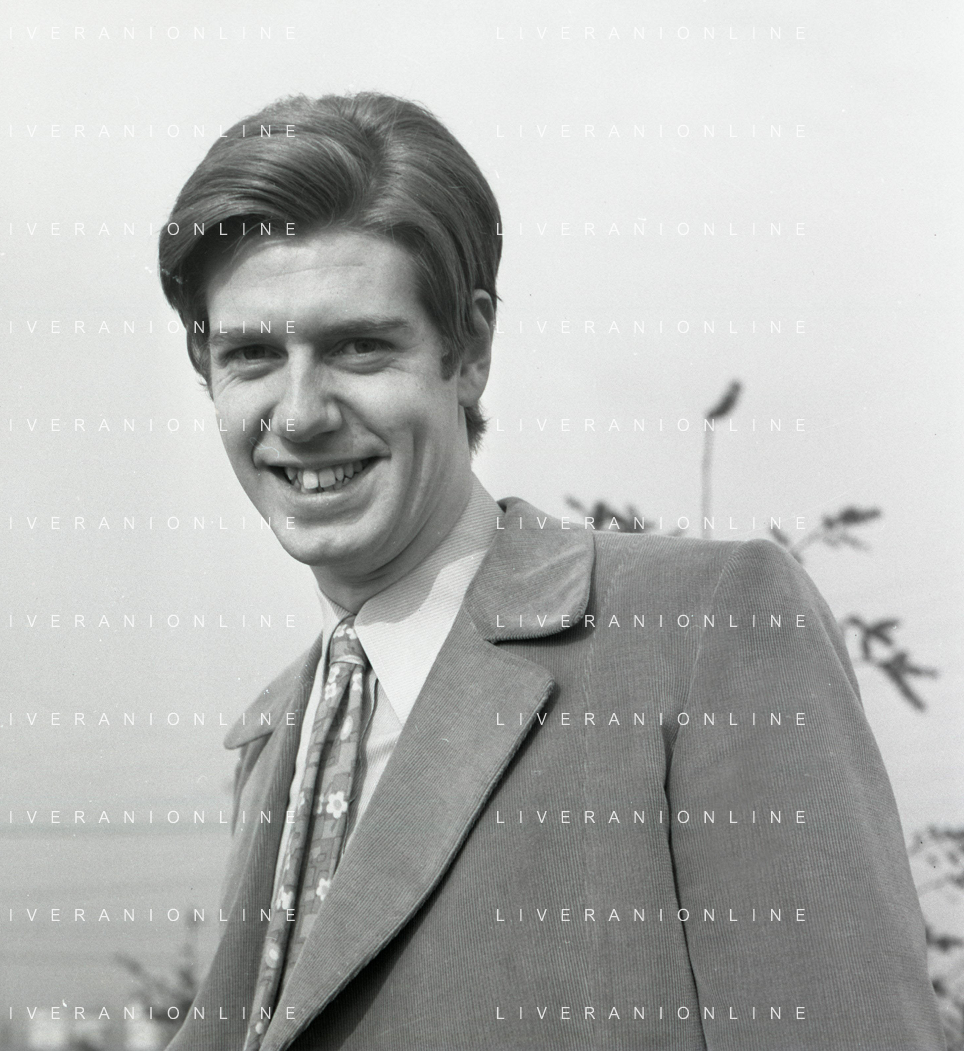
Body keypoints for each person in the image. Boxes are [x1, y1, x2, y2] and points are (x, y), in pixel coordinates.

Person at [156, 93, 944, 1051]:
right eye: (250, 354)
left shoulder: (703, 629)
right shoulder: (273, 735)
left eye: (358, 346)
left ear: (469, 350)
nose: (300, 412)